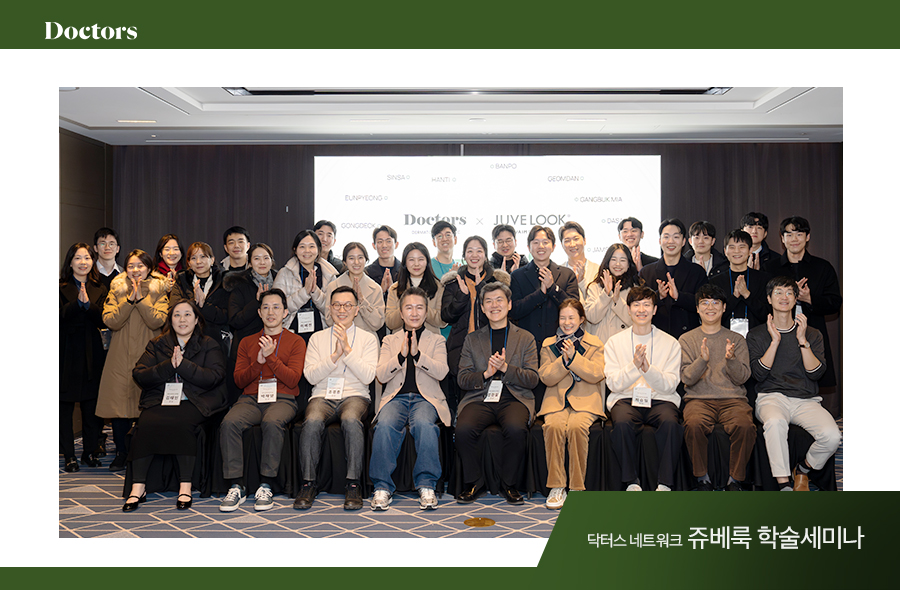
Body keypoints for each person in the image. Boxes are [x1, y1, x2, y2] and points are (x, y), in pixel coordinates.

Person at [124, 300, 228, 511]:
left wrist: (184, 365)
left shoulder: (209, 343)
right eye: (177, 315)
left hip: (196, 400)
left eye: (187, 314)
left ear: (196, 320)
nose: (182, 319)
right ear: (170, 320)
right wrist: (168, 366)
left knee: (182, 423)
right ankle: (138, 487)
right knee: (145, 424)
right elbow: (140, 374)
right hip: (161, 400)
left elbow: (214, 376)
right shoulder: (158, 344)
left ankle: (185, 485)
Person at [747, 276, 840, 491]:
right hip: (771, 397)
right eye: (778, 292)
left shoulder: (811, 333)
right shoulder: (757, 334)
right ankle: (784, 485)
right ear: (769, 298)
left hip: (806, 400)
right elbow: (759, 374)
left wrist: (802, 341)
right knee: (775, 422)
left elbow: (816, 373)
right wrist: (775, 341)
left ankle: (803, 469)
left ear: (796, 299)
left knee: (832, 436)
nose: (784, 297)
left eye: (789, 293)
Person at [219, 288, 307, 511]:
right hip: (250, 398)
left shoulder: (296, 341)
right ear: (259, 313)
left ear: (285, 312)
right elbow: (239, 380)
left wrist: (271, 358)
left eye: (276, 307)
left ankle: (266, 484)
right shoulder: (247, 342)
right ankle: (236, 485)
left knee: (272, 422)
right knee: (229, 422)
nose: (271, 312)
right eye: (266, 307)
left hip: (283, 398)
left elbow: (293, 379)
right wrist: (258, 362)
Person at [295, 286, 379, 511]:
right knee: (312, 421)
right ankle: (308, 483)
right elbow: (311, 376)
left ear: (356, 309)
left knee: (351, 420)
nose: (342, 310)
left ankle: (353, 484)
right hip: (323, 395)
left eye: (348, 305)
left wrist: (348, 351)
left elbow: (368, 376)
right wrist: (334, 356)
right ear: (330, 309)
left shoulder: (368, 338)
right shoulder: (317, 338)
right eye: (337, 305)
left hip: (355, 395)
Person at [455, 282, 538, 505]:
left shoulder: (526, 338)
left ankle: (508, 484)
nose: (494, 305)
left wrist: (505, 369)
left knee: (516, 428)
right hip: (480, 397)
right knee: (463, 430)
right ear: (482, 308)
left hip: (514, 397)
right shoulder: (473, 339)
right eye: (489, 302)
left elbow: (532, 378)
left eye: (499, 300)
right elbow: (462, 378)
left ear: (509, 304)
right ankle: (475, 482)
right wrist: (486, 374)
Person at [370, 286, 451, 511]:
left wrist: (417, 355)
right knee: (384, 425)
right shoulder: (389, 340)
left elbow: (442, 372)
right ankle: (382, 487)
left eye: (419, 308)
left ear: (426, 311)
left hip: (426, 399)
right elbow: (381, 374)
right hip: (395, 398)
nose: (414, 313)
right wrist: (401, 356)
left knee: (425, 425)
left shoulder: (437, 340)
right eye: (409, 308)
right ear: (401, 312)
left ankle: (426, 485)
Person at [96, 249, 169, 471]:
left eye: (140, 266)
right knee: (120, 409)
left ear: (149, 268)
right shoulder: (117, 289)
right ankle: (121, 453)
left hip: (149, 355)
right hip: (119, 355)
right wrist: (129, 301)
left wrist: (142, 300)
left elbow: (158, 320)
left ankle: (144, 454)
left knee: (147, 407)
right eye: (131, 266)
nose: (136, 270)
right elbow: (110, 320)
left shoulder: (159, 289)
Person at [604, 285, 682, 491]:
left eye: (646, 305)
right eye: (636, 305)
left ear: (654, 310)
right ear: (629, 310)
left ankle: (664, 484)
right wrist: (634, 366)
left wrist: (647, 369)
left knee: (671, 423)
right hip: (626, 398)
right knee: (621, 424)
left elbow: (670, 385)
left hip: (661, 399)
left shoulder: (671, 343)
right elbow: (613, 383)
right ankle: (631, 482)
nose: (641, 310)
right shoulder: (614, 342)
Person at [679, 283, 754, 492]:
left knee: (745, 426)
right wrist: (702, 360)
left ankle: (735, 480)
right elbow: (686, 378)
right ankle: (702, 478)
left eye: (715, 302)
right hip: (698, 399)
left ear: (723, 308)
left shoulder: (737, 340)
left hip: (733, 399)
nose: (710, 307)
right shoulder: (687, 339)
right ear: (697, 308)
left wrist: (731, 360)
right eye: (704, 303)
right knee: (693, 425)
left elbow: (742, 378)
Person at [538, 299, 605, 509]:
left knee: (577, 427)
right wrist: (564, 360)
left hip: (586, 400)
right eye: (563, 318)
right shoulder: (548, 344)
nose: (567, 322)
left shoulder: (595, 343)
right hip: (556, 401)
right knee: (553, 426)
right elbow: (546, 377)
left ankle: (577, 487)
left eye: (571, 318)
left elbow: (596, 374)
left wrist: (574, 357)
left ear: (581, 319)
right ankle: (557, 486)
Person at [764, 216, 842, 390]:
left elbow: (835, 302)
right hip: (778, 332)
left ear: (807, 237)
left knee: (813, 378)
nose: (794, 239)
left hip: (812, 332)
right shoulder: (770, 268)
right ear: (782, 238)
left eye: (799, 234)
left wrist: (809, 299)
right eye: (789, 234)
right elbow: (763, 302)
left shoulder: (823, 267)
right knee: (778, 379)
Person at [440, 235, 511, 417]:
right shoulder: (453, 282)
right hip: (460, 346)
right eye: (470, 251)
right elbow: (446, 316)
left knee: (490, 393)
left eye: (479, 251)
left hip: (490, 344)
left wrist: (481, 290)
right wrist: (462, 297)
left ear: (485, 255)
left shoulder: (497, 282)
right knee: (463, 393)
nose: (474, 255)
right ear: (464, 255)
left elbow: (502, 315)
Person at [60, 243, 108, 472]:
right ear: (70, 262)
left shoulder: (100, 287)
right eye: (78, 258)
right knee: (64, 408)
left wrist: (88, 305)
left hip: (92, 352)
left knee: (91, 407)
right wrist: (76, 305)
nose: (83, 262)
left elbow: (104, 320)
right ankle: (69, 455)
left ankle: (89, 451)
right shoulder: (58, 287)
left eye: (87, 258)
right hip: (65, 352)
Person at [224, 243, 277, 406]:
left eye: (266, 258)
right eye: (257, 258)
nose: (262, 262)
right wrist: (256, 301)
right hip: (247, 345)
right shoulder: (239, 284)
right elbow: (235, 320)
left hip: (274, 344)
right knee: (244, 395)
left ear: (272, 261)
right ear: (249, 262)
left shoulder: (279, 281)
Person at [510, 225, 580, 348]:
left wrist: (552, 288)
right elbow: (514, 311)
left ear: (553, 247)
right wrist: (540, 294)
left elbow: (575, 310)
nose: (541, 246)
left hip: (560, 345)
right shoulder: (517, 276)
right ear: (529, 247)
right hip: (526, 346)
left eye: (545, 242)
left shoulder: (567, 274)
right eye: (536, 242)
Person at [639, 218, 708, 340]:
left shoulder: (697, 271)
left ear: (683, 241)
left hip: (688, 338)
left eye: (676, 237)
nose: (670, 241)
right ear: (660, 241)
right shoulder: (647, 272)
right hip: (655, 338)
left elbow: (704, 304)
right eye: (666, 237)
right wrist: (658, 296)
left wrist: (679, 297)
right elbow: (639, 305)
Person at [274, 229, 339, 341]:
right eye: (302, 247)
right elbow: (277, 308)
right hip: (291, 333)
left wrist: (315, 292)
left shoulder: (329, 275)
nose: (307, 251)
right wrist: (304, 292)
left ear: (318, 249)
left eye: (311, 246)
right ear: (295, 250)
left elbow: (334, 310)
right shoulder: (284, 273)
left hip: (322, 334)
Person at [171, 242, 230, 352]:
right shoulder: (182, 281)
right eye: (193, 258)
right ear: (189, 263)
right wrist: (194, 302)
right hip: (187, 342)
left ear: (212, 260)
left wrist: (204, 306)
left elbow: (227, 315)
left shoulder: (224, 281)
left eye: (203, 256)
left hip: (217, 342)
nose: (198, 262)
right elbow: (173, 311)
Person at [708, 229, 771, 333]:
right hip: (724, 336)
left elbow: (767, 315)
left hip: (756, 337)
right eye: (732, 247)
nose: (736, 251)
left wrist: (747, 295)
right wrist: (734, 297)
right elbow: (713, 316)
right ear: (725, 251)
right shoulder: (715, 282)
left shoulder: (763, 279)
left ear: (750, 250)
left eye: (742, 247)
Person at [323, 242, 385, 334]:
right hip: (340, 335)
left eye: (360, 257)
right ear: (344, 262)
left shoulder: (375, 288)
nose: (356, 262)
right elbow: (329, 320)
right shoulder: (333, 286)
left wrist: (362, 300)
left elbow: (378, 323)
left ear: (366, 260)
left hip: (366, 339)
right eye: (351, 258)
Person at [385, 242, 445, 335]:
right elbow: (390, 323)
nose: (416, 264)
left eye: (421, 259)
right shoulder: (395, 288)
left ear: (427, 262)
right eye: (411, 260)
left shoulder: (438, 287)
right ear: (405, 262)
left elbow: (442, 322)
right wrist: (405, 307)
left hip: (430, 339)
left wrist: (422, 307)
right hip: (401, 339)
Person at [584, 243, 640, 343]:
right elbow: (592, 318)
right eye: (613, 259)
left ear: (628, 264)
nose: (617, 264)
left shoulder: (635, 289)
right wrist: (606, 294)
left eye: (622, 260)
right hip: (600, 346)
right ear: (607, 262)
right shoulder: (595, 287)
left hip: (625, 344)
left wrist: (618, 301)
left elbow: (636, 320)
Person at [559, 221, 600, 301]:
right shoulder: (558, 272)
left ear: (584, 240)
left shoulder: (597, 270)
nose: (572, 244)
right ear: (562, 245)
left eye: (576, 239)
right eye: (567, 240)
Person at [365, 225, 402, 300]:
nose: (384, 245)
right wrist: (380, 291)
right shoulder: (367, 273)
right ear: (374, 245)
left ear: (396, 244)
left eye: (388, 241)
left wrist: (393, 291)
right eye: (380, 242)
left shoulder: (405, 270)